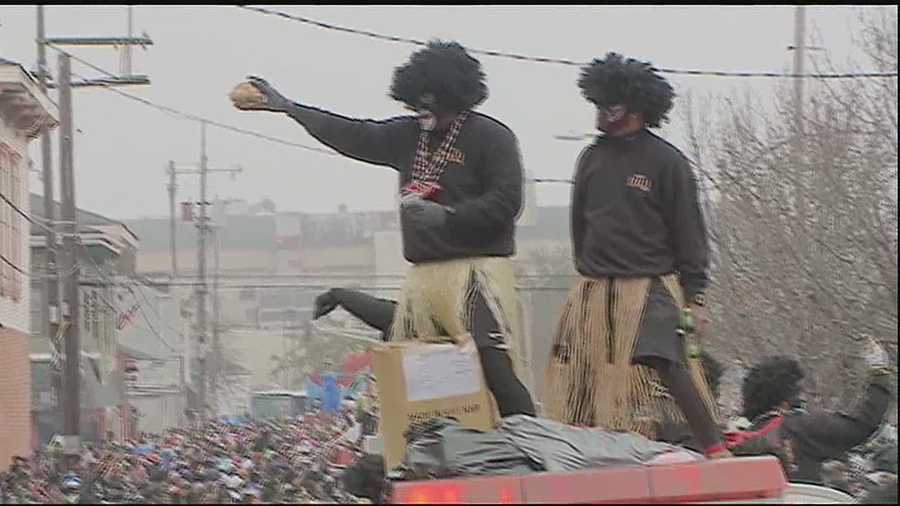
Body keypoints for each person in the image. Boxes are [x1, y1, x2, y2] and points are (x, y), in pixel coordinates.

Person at [232, 40, 535, 418]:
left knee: (492, 365)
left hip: (477, 272)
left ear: (456, 96)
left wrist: (448, 216)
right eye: (416, 103)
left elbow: (508, 203)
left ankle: (531, 442)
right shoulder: (409, 135)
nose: (422, 111)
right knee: (420, 362)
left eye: (431, 103)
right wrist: (291, 109)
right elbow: (353, 134)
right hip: (426, 274)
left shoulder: (491, 136)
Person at [542, 52, 728, 459]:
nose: (599, 114)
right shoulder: (591, 157)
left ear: (633, 108)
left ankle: (715, 449)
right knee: (579, 370)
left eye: (607, 106)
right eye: (596, 105)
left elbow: (690, 234)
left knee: (666, 361)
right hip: (595, 288)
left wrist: (695, 298)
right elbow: (580, 225)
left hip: (650, 287)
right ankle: (578, 450)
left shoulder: (667, 162)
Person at [727, 337, 894, 485]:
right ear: (786, 399)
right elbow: (861, 426)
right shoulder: (801, 426)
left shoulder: (744, 440)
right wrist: (879, 373)